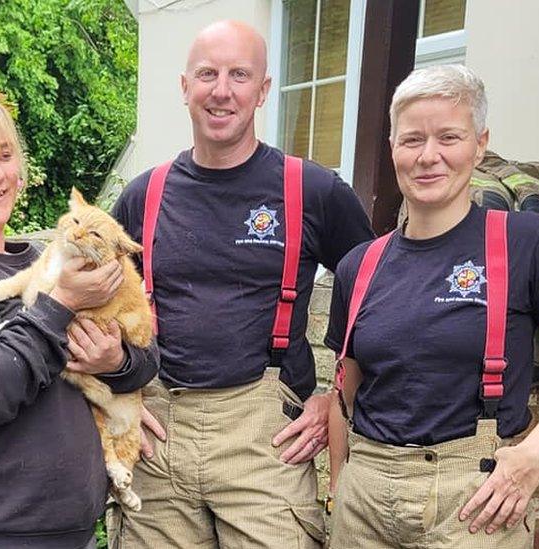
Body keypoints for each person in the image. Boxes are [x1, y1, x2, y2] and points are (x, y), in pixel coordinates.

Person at [107, 20, 374, 548]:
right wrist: (118, 403)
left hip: (266, 444)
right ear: (185, 87)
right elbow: (98, 311)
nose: (221, 90)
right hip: (160, 434)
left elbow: (378, 301)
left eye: (239, 74)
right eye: (207, 74)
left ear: (263, 90)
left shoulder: (312, 191)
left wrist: (333, 401)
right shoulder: (144, 197)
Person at [325, 64, 539, 548]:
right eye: (412, 140)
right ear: (392, 148)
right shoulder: (358, 265)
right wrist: (340, 484)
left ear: (480, 144)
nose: (429, 157)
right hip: (364, 500)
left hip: (475, 502)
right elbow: (346, 391)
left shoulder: (525, 242)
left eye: (449, 137)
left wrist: (535, 453)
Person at [0, 86, 159, 549]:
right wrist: (60, 304)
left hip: (69, 533)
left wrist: (115, 364)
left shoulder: (43, 258)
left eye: (5, 154)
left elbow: (145, 358)